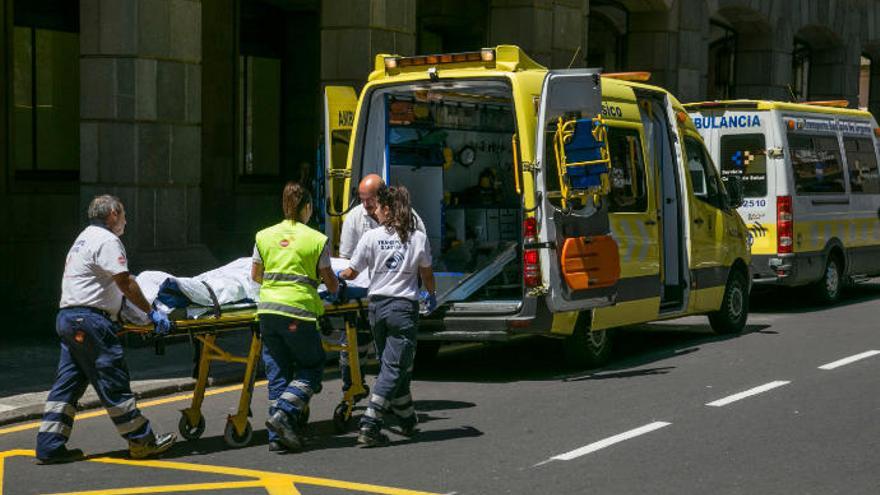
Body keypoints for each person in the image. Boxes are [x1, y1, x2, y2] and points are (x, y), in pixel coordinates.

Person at [35, 195, 176, 465]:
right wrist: (150, 313)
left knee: (67, 384)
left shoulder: (84, 238)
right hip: (90, 321)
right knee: (112, 379)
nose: (125, 220)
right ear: (112, 214)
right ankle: (141, 441)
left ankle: (50, 445)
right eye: (123, 214)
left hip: (69, 318)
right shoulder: (108, 241)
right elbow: (125, 283)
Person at [339, 185, 436, 447]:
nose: (375, 212)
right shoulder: (417, 238)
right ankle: (370, 423)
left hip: (377, 310)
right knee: (394, 368)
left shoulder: (371, 238)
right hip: (403, 310)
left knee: (391, 367)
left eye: (379, 207)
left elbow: (351, 271)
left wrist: (335, 279)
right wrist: (431, 293)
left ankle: (407, 420)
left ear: (389, 209)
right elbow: (426, 273)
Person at [252, 182, 340, 453]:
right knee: (312, 367)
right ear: (308, 207)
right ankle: (284, 414)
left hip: (267, 311)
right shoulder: (315, 239)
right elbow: (331, 283)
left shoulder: (263, 236)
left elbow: (256, 275)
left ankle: (277, 438)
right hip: (297, 313)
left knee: (278, 372)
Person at [337, 174, 427, 397]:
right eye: (362, 199)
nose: (366, 205)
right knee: (354, 344)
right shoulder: (355, 218)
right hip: (365, 292)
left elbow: (421, 254)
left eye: (370, 200)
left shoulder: (410, 218)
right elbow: (347, 260)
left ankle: (393, 396)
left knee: (397, 352)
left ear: (384, 198)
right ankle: (352, 386)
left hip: (395, 294)